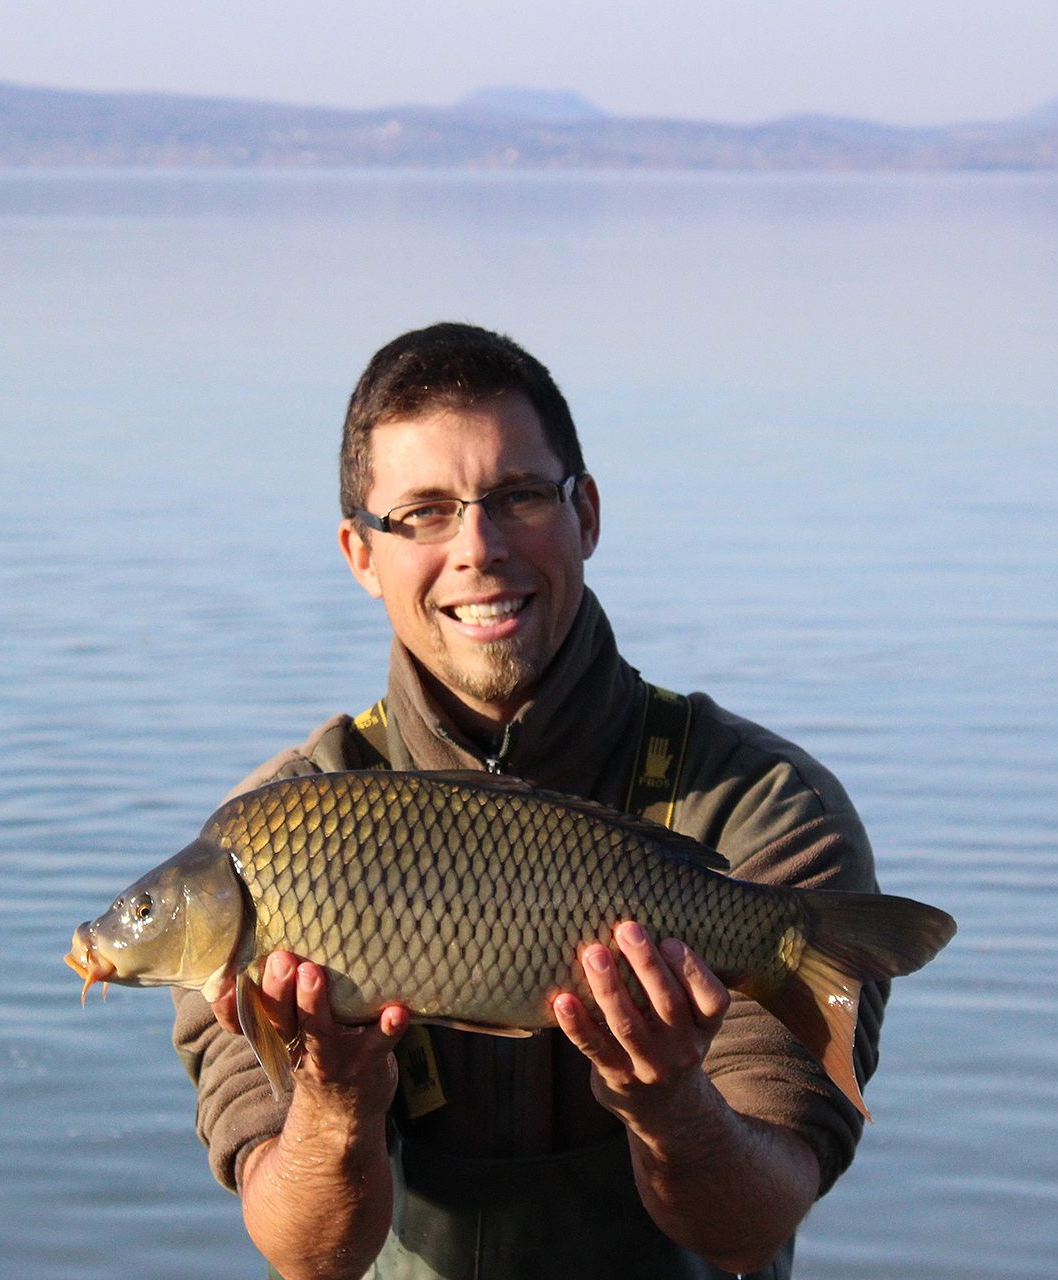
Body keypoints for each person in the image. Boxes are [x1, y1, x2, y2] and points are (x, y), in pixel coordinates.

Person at [172, 322, 888, 1280]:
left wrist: (670, 1103)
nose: (479, 548)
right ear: (358, 553)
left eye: (516, 497)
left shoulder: (759, 808)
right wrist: (335, 1103)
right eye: (422, 513)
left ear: (586, 513)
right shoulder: (274, 840)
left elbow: (750, 1226)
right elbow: (309, 1256)